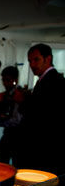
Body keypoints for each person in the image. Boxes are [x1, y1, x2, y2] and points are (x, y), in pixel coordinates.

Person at [16, 43, 65, 175]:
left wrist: (23, 101)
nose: (32, 64)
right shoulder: (45, 80)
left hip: (45, 150)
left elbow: (42, 115)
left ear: (48, 59)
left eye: (36, 59)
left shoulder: (54, 81)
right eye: (30, 61)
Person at [0, 66, 26, 164]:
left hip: (18, 137)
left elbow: (16, 120)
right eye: (3, 80)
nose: (5, 83)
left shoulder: (19, 95)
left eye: (8, 80)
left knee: (18, 167)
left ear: (15, 80)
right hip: (7, 135)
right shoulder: (4, 95)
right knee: (1, 165)